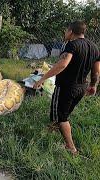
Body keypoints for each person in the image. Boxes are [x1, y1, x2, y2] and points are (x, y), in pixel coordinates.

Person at [33, 21, 100, 155]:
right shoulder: (94, 47)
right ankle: (53, 128)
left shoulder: (72, 45)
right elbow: (96, 70)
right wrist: (93, 85)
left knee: (62, 116)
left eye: (66, 31)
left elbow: (63, 64)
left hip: (66, 87)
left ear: (71, 31)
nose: (65, 33)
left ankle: (70, 147)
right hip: (81, 88)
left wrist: (42, 79)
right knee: (65, 111)